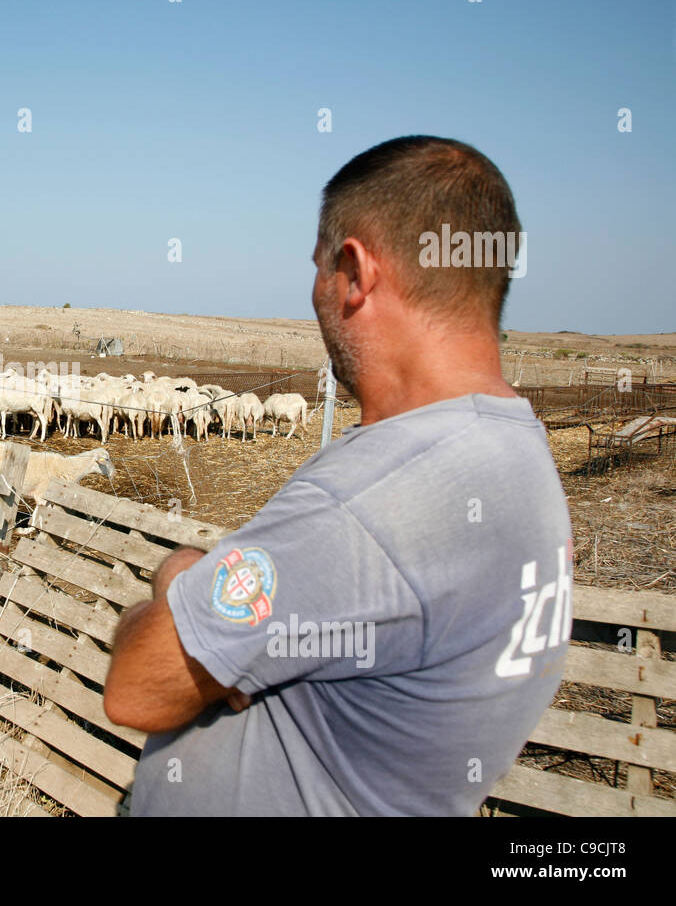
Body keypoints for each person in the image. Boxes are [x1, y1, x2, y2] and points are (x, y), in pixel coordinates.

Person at [104, 135, 571, 816]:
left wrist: (180, 576)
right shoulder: (516, 457)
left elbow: (136, 687)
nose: (315, 293)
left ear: (354, 271)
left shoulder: (377, 500)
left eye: (320, 268)